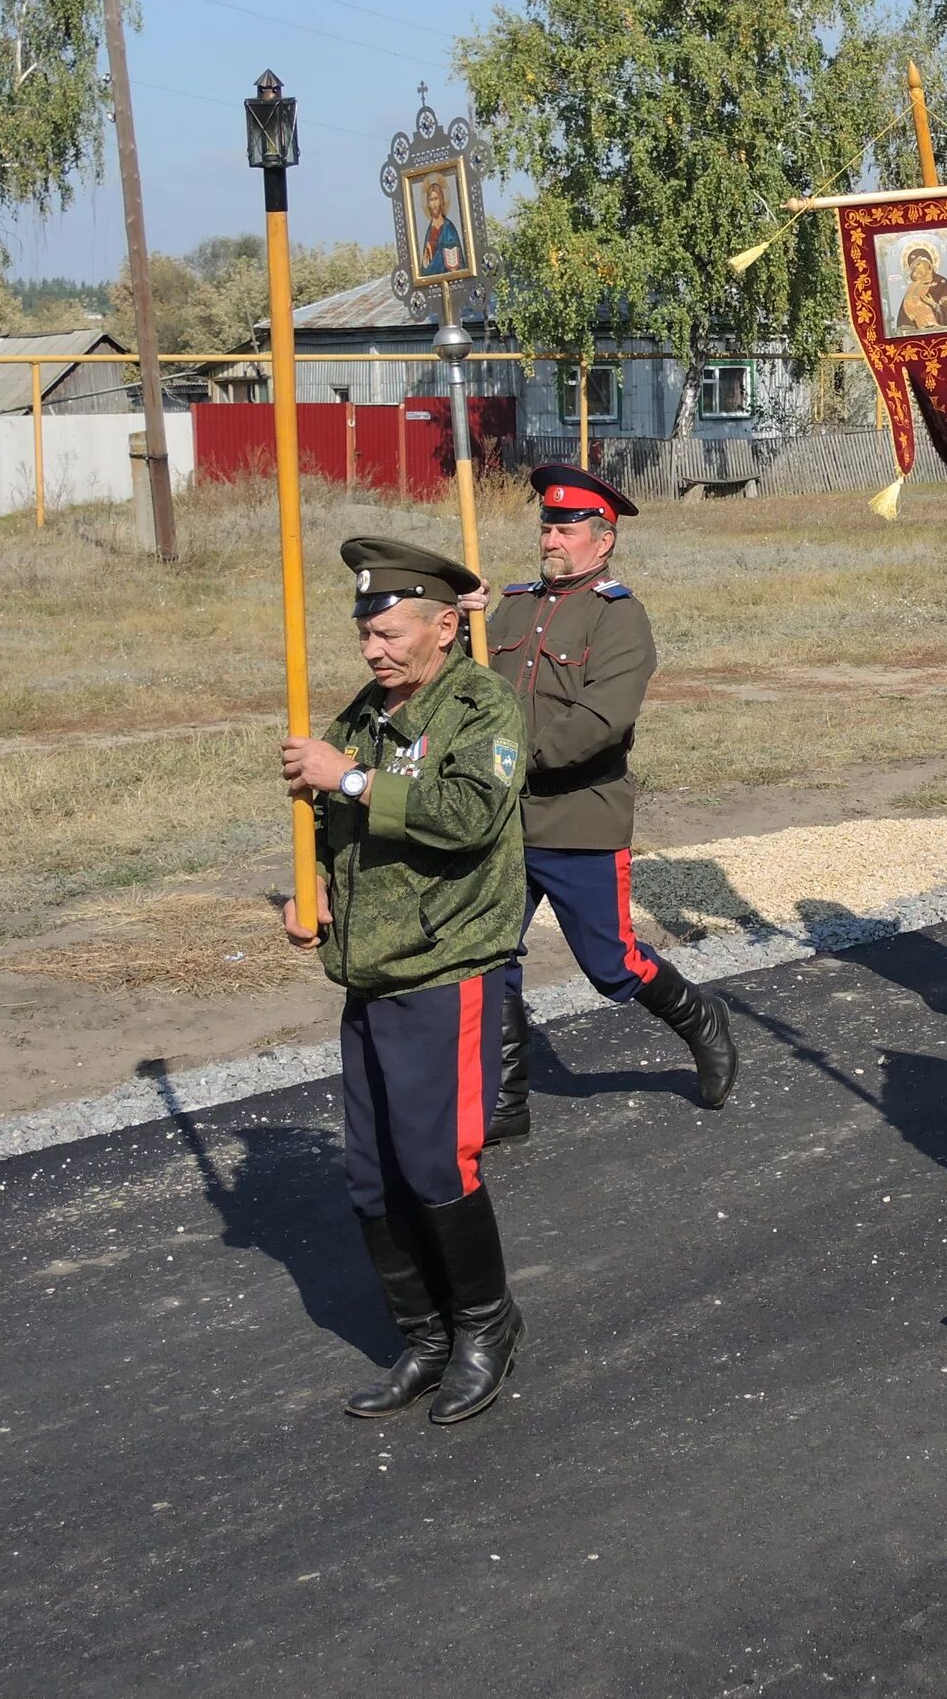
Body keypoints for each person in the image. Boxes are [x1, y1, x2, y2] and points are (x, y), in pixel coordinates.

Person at [280, 537, 530, 1425]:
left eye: (391, 634)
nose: (375, 651)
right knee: (371, 1173)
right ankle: (423, 1338)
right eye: (365, 636)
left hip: (444, 965)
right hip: (370, 969)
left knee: (435, 1162)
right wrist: (312, 889)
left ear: (446, 627)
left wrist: (344, 776)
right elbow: (337, 819)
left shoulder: (480, 705)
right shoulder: (368, 710)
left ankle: (487, 1330)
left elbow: (465, 816)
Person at [474, 465, 736, 1141]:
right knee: (488, 952)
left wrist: (507, 762)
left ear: (603, 540)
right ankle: (505, 1101)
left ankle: (699, 1015)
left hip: (577, 815)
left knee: (610, 962)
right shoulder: (511, 606)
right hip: (505, 822)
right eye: (546, 526)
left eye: (564, 528)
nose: (550, 537)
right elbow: (475, 694)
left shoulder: (620, 616)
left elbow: (600, 720)